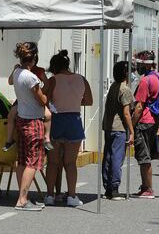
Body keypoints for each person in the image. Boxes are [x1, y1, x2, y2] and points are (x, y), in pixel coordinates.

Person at [44, 50, 93, 207]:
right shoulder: (82, 79)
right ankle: (72, 196)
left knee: (52, 162)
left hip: (56, 120)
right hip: (74, 120)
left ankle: (50, 195)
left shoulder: (53, 80)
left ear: (55, 67)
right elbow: (89, 101)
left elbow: (46, 99)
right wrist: (75, 102)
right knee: (70, 163)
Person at [11, 42, 47, 211]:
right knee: (33, 162)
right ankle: (23, 199)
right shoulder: (31, 78)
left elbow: (11, 81)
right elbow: (43, 100)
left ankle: (21, 196)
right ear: (33, 58)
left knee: (22, 160)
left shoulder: (17, 72)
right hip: (33, 120)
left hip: (21, 119)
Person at [5, 53, 52, 151]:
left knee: (48, 115)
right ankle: (9, 140)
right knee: (11, 115)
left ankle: (46, 138)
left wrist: (40, 93)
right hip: (23, 99)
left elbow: (47, 84)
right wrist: (14, 69)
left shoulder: (38, 71)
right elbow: (10, 82)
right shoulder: (19, 70)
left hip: (35, 99)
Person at [102, 61, 135, 200]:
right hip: (119, 128)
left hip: (109, 126)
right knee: (117, 157)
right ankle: (114, 187)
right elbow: (126, 113)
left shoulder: (113, 86)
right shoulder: (125, 89)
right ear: (125, 73)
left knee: (108, 157)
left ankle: (108, 187)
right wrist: (132, 131)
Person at [131, 50, 159, 199]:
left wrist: (131, 124)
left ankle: (147, 189)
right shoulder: (156, 77)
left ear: (145, 64)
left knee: (144, 156)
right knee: (146, 154)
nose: (137, 67)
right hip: (154, 121)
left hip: (144, 121)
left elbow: (139, 107)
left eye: (139, 63)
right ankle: (145, 186)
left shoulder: (144, 81)